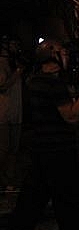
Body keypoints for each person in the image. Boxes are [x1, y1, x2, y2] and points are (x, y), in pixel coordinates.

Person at [1, 38, 79, 230]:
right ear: (51, 54)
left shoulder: (34, 80)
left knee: (31, 198)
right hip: (59, 150)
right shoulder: (52, 85)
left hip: (40, 149)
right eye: (63, 51)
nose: (67, 55)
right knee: (68, 199)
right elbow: (70, 115)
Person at [0, 36, 26, 194]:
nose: (16, 47)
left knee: (13, 150)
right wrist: (17, 72)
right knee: (3, 150)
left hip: (16, 113)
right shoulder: (2, 63)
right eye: (14, 44)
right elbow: (2, 85)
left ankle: (9, 181)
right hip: (3, 114)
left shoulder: (14, 62)